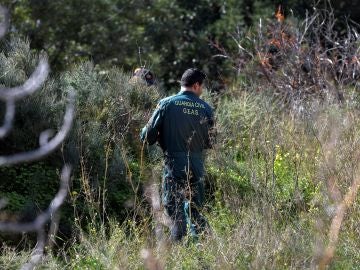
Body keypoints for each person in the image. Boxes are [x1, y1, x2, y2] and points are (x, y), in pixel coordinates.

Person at [140, 68, 215, 241]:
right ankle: (201, 249)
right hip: (197, 165)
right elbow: (211, 141)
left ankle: (178, 248)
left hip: (174, 164)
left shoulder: (167, 103)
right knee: (196, 210)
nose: (202, 90)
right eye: (202, 86)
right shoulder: (206, 108)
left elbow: (147, 136)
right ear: (196, 85)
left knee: (174, 208)